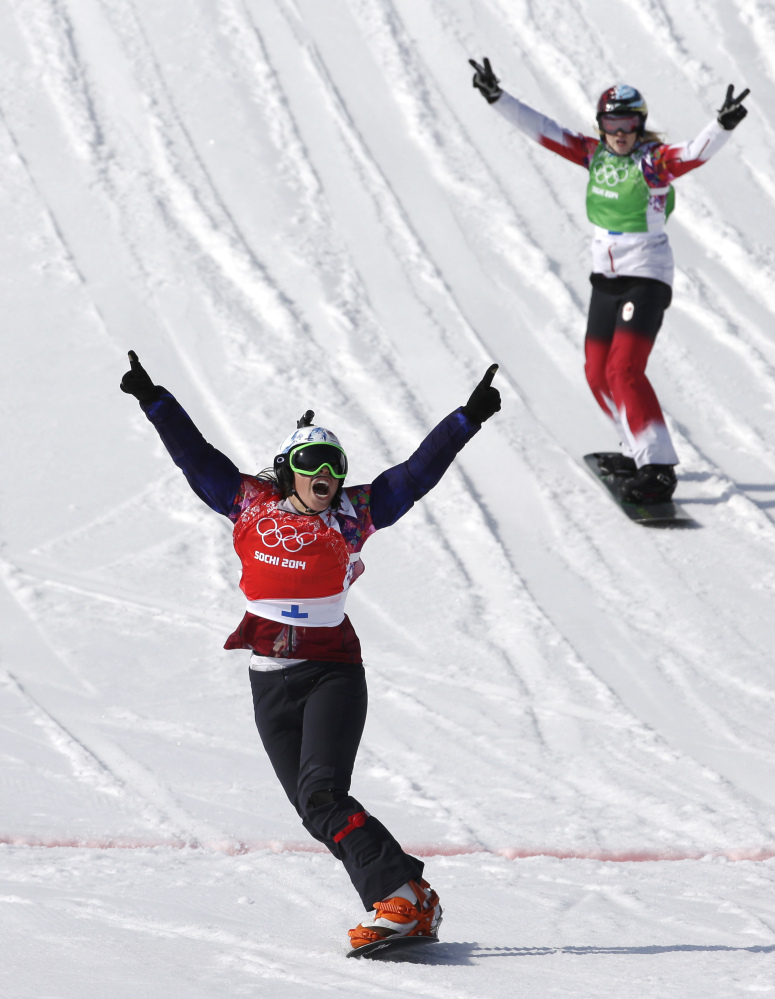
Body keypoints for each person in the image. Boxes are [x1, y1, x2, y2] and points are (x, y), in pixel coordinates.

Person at [119, 350, 501, 948]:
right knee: (314, 806)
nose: (325, 473)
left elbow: (414, 475)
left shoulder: (354, 515)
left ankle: (397, 900)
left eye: (335, 463)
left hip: (332, 674)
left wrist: (464, 420)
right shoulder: (249, 502)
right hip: (269, 676)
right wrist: (155, 400)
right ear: (289, 470)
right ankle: (412, 896)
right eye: (311, 462)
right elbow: (195, 457)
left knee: (323, 790)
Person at [468, 57, 749, 502]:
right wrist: (497, 97)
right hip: (607, 279)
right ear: (601, 124)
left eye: (628, 123)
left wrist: (722, 125)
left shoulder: (652, 163)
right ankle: (637, 450)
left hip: (646, 277)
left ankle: (657, 468)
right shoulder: (593, 153)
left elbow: (692, 153)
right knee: (598, 373)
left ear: (640, 125)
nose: (620, 132)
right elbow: (542, 129)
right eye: (612, 122)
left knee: (624, 368)